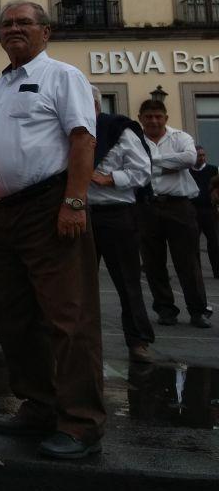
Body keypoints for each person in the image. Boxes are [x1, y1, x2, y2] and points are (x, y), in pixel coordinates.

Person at [0, 1, 103, 460]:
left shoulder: (63, 76)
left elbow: (83, 139)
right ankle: (38, 405)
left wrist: (74, 201)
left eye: (24, 23)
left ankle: (82, 422)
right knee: (14, 317)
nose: (14, 29)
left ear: (46, 32)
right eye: (7, 23)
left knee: (69, 317)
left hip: (47, 208)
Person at [87, 86, 156, 363]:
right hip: (80, 213)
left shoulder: (119, 130)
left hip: (116, 214)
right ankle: (81, 342)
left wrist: (111, 179)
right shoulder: (69, 132)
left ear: (96, 105)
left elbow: (142, 171)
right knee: (77, 283)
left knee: (127, 281)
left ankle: (138, 340)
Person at [138, 99, 210, 329]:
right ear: (140, 118)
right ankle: (165, 309)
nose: (154, 121)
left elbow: (189, 158)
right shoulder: (134, 140)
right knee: (153, 263)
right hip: (147, 206)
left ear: (166, 118)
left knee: (188, 261)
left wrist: (151, 162)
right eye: (149, 117)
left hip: (179, 206)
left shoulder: (180, 137)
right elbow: (132, 166)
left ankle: (198, 310)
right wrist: (170, 164)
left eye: (158, 116)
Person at [190, 147, 219, 279]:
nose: (201, 158)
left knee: (214, 241)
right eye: (198, 156)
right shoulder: (188, 171)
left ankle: (217, 270)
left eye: (203, 155)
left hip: (209, 210)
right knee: (193, 243)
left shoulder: (213, 170)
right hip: (193, 211)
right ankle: (196, 272)